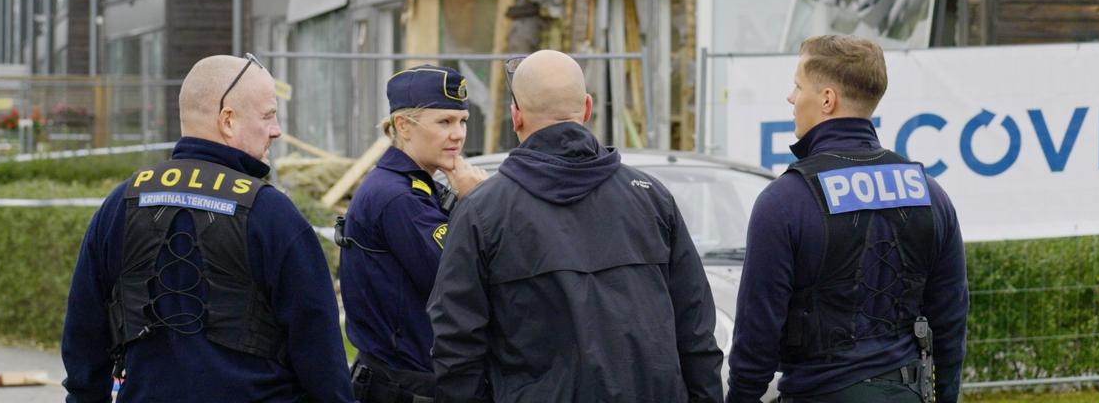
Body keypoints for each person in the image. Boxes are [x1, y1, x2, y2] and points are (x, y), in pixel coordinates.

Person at [428, 50, 725, 403]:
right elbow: (697, 332)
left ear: (516, 115)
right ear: (586, 108)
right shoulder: (651, 200)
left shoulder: (482, 211)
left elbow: (456, 347)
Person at [61, 53, 354, 403]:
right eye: (268, 116)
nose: (276, 130)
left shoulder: (122, 203)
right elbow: (320, 354)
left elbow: (83, 337)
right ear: (227, 120)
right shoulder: (271, 213)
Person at [728, 36, 968, 403]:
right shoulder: (930, 194)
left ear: (827, 99)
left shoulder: (785, 201)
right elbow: (951, 317)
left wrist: (742, 397)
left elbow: (757, 333)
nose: (791, 98)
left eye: (797, 86)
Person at [339, 65, 488, 403]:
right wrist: (473, 203)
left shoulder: (412, 185)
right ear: (404, 126)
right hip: (405, 385)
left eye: (462, 121)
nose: (458, 134)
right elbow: (459, 282)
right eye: (444, 122)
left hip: (406, 379)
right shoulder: (399, 197)